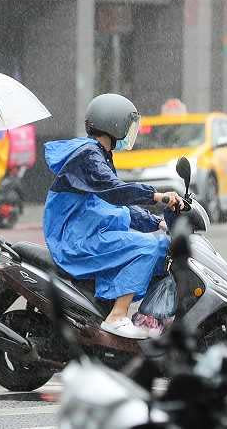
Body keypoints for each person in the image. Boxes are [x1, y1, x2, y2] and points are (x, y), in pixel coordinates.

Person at [43, 94, 183, 339]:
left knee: (163, 246)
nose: (131, 133)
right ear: (114, 124)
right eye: (129, 126)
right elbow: (116, 191)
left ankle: (149, 315)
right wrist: (158, 197)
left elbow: (116, 204)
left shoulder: (99, 155)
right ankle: (117, 316)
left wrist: (157, 221)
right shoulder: (87, 155)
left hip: (89, 231)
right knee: (147, 247)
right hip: (75, 239)